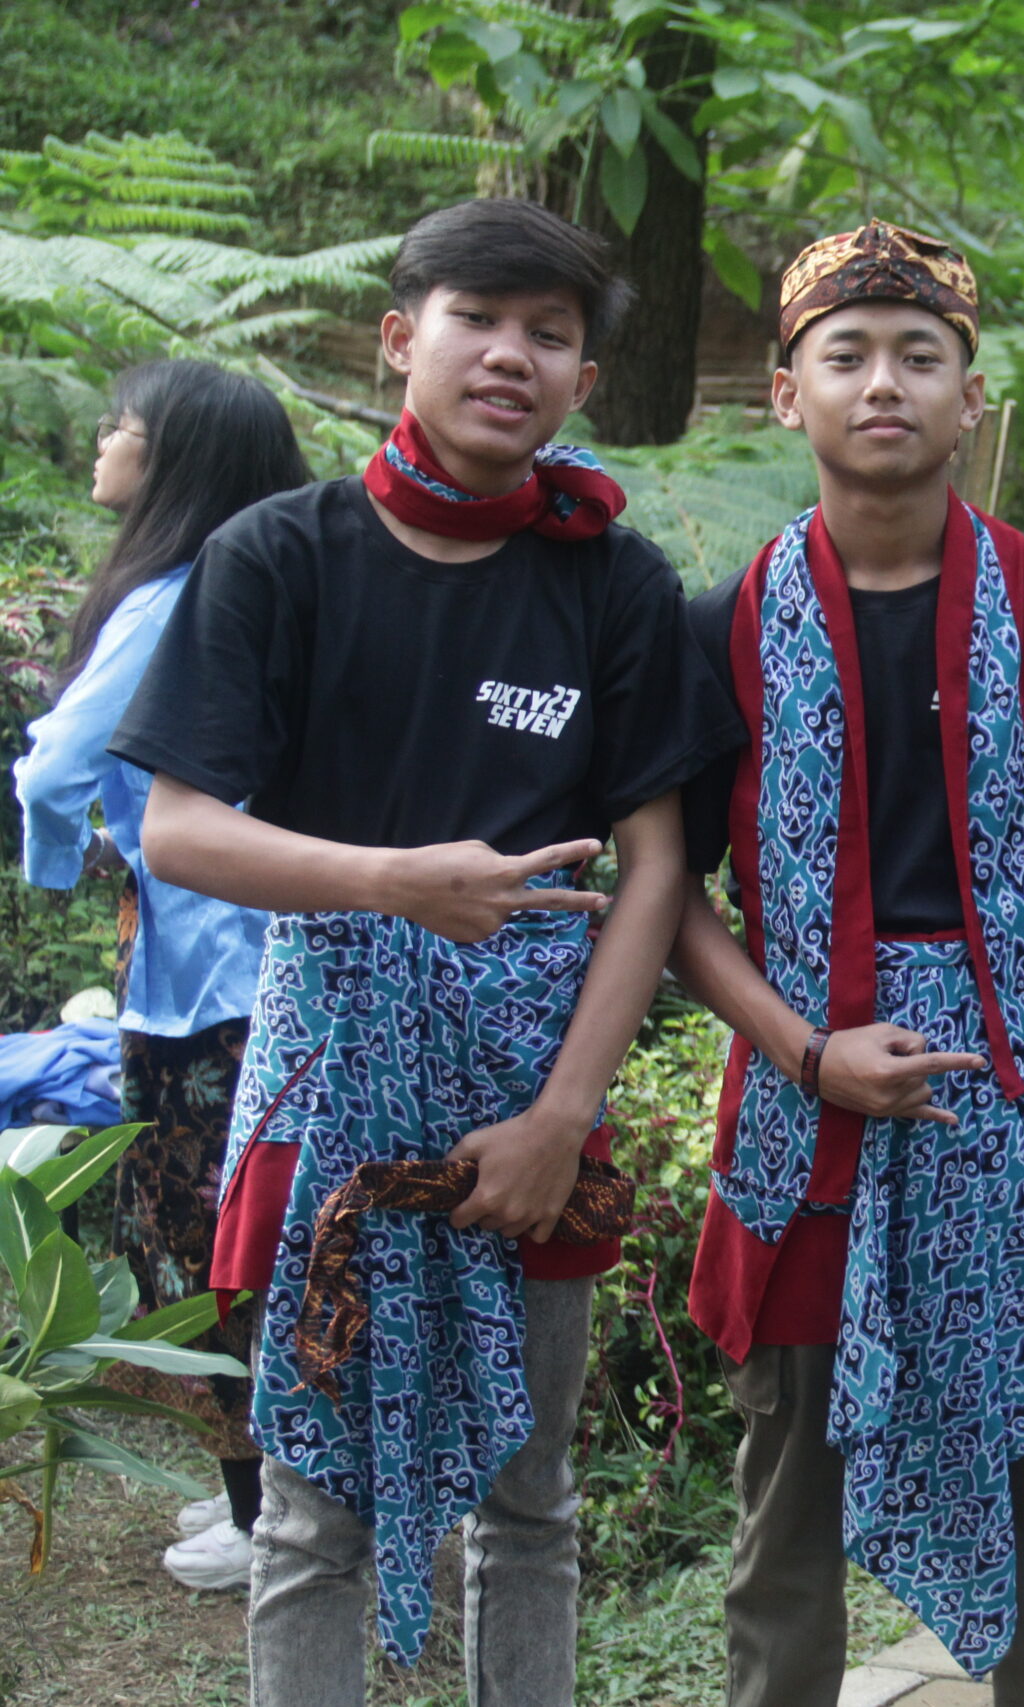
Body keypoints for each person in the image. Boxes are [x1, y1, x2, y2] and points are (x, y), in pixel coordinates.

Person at [110, 198, 740, 1705]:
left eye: (550, 334)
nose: (511, 355)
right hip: (327, 1081)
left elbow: (657, 865)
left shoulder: (612, 582)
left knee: (530, 1504)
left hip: (534, 1092)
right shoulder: (282, 555)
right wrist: (395, 883)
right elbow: (180, 830)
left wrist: (562, 1119)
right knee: (310, 1514)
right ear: (402, 339)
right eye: (479, 319)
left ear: (585, 379)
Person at [667, 220, 1024, 1707]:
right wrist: (806, 1047)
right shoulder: (729, 621)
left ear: (970, 396)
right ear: (787, 393)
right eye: (847, 355)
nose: (883, 383)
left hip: (1008, 1109)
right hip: (804, 1108)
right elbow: (670, 898)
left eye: (920, 355)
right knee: (787, 1517)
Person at [15, 359, 305, 1591]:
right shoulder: (282, 585)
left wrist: (54, 863)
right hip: (297, 958)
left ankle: (262, 1519)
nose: (101, 442)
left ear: (173, 460)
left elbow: (51, 769)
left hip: (200, 985)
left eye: (120, 425)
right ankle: (275, 1495)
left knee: (201, 1244)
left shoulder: (165, 603)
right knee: (276, 1236)